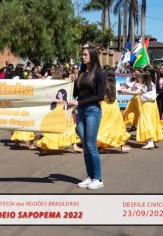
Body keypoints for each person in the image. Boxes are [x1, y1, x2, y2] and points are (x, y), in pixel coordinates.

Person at [70, 46, 105, 190]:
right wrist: (73, 81)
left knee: (91, 144)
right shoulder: (82, 72)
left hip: (92, 111)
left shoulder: (98, 73)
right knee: (85, 145)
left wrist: (79, 102)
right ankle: (90, 176)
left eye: (85, 55)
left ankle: (98, 178)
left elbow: (100, 96)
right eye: (82, 55)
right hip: (81, 111)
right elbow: (77, 93)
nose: (82, 57)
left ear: (92, 55)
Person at [120, 72, 163, 149]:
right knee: (152, 122)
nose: (139, 78)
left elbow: (136, 92)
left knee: (146, 122)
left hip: (147, 105)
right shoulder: (151, 84)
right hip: (153, 105)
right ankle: (152, 140)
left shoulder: (144, 86)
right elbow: (128, 85)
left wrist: (124, 91)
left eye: (140, 77)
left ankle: (150, 141)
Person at [97, 69, 131, 153]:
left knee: (104, 126)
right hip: (114, 106)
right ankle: (122, 145)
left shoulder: (103, 84)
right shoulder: (115, 85)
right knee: (118, 126)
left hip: (104, 106)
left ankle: (102, 146)